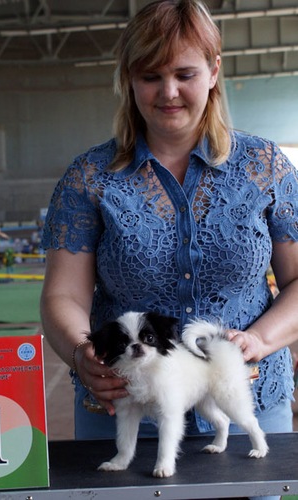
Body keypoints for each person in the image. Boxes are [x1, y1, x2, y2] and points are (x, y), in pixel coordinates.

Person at [40, 0, 298, 478]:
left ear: (214, 70)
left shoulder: (266, 167)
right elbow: (62, 294)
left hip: (247, 408)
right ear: (128, 78)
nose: (169, 92)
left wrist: (258, 340)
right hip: (124, 412)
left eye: (184, 73)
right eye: (150, 76)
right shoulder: (88, 178)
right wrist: (81, 354)